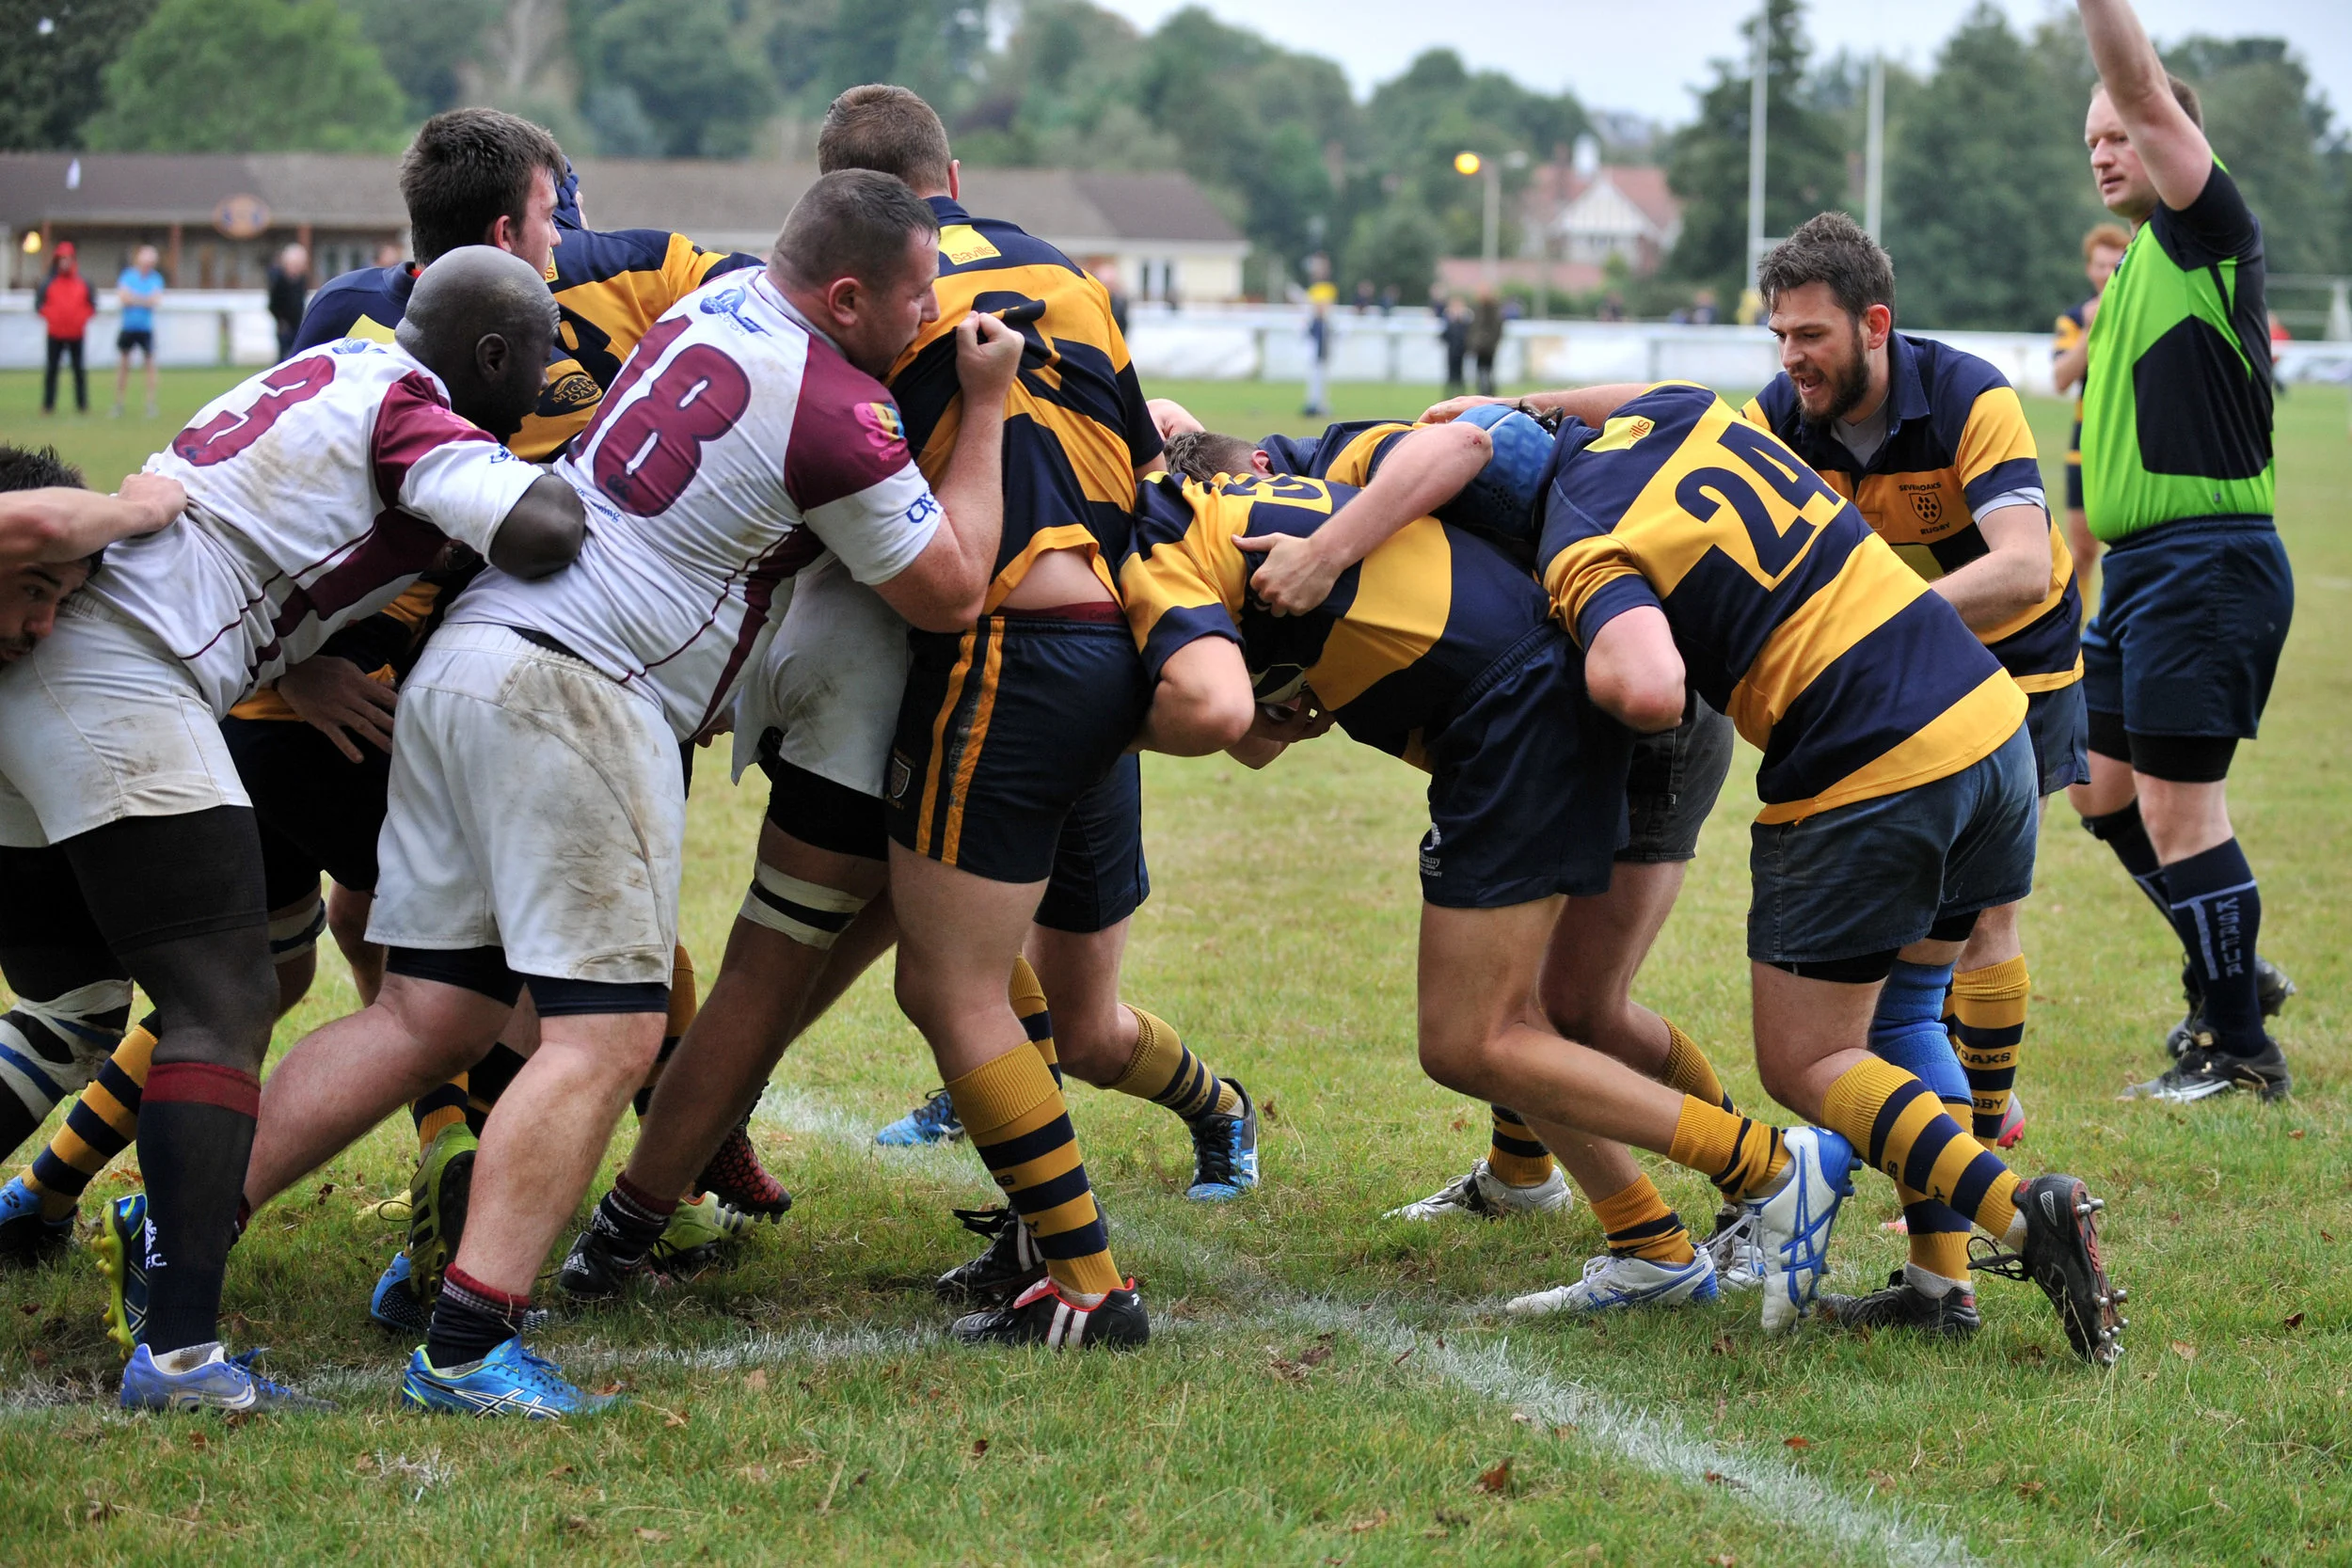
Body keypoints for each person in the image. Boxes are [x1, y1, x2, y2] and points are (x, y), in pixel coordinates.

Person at [238, 175, 1025, 1416]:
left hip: (471, 662)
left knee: (426, 1015)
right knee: (605, 1036)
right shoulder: (835, 404)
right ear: (848, 294)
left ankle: (181, 1216)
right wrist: (981, 409)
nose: (934, 313)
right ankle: (469, 1338)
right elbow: (951, 586)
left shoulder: (708, 309)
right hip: (584, 691)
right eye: (918, 291)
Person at [1, 107, 787, 1322]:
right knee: (520, 982)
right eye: (548, 212)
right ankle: (468, 1235)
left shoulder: (342, 339)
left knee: (278, 984)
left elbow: (265, 517)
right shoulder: (431, 388)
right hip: (271, 701)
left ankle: (101, 1200)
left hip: (277, 689)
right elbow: (532, 525)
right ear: (500, 252)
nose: (564, 234)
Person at [582, 87, 1253, 1344]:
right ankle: (1053, 1215)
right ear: (950, 173)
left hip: (954, 656)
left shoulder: (846, 293)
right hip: (1112, 641)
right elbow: (1143, 469)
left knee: (879, 970)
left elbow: (920, 560)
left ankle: (647, 1214)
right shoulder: (1067, 271)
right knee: (1023, 977)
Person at [1414, 378, 2125, 1364]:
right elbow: (1658, 390)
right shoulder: (1673, 414)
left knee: (1807, 1060)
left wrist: (1577, 618)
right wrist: (1525, 401)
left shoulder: (1578, 542)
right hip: (1989, 717)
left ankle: (2021, 1209)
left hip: (1870, 753)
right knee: (1907, 1012)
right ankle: (1936, 1284)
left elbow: (1648, 686)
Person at [0, 246, 583, 1413]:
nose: (539, 389)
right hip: (128, 672)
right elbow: (542, 530)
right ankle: (177, 1356)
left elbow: (279, 535)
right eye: (532, 365)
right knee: (228, 1000)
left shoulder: (329, 361)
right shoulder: (409, 406)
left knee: (71, 1011)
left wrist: (303, 654)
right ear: (486, 355)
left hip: (51, 668)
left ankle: (158, 1311)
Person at [1131, 447, 1853, 1321]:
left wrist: (1094, 723)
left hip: (1562, 689)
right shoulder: (1230, 508)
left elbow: (1474, 444)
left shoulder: (1163, 540)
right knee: (1516, 1020)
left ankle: (1764, 1170)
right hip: (1531, 689)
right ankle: (1651, 1233)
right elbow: (1254, 731)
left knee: (1510, 1025)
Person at [1743, 213, 2086, 1335]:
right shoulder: (1782, 418)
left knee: (1973, 938)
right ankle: (1955, 1215)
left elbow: (2026, 567)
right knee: (1908, 982)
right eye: (1777, 334)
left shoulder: (1966, 393)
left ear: (1874, 323)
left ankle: (1973, 1165)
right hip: (1904, 707)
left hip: (2014, 684)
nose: (1790, 357)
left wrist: (1870, 635)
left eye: (1809, 334)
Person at [2069, 0, 2296, 1102]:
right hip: (2141, 572)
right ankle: (2233, 969)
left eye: (2120, 134)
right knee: (2100, 789)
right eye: (2092, 143)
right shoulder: (2127, 279)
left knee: (2177, 810)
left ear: (2167, 140)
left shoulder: (2203, 230)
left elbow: (2143, 83)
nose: (2105, 152)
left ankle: (2237, 1044)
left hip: (2204, 559)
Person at [2052, 224, 2128, 601]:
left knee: (2128, 554)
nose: (2107, 273)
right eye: (2101, 265)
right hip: (2085, 443)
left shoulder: (2139, 317)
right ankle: (2078, 641)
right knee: (2082, 552)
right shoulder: (2074, 320)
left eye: (2116, 265)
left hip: (2131, 443)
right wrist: (2090, 330)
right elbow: (2062, 378)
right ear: (2089, 269)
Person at [36, 244, 96, 416]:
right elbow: (39, 305)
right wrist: (53, 317)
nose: (64, 263)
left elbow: (92, 305)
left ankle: (82, 405)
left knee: (78, 371)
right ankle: (48, 405)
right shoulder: (48, 282)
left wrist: (79, 319)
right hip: (55, 333)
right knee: (52, 371)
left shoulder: (83, 282)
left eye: (67, 258)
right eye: (61, 259)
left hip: (76, 333)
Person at [111, 245, 164, 420]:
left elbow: (154, 300)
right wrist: (143, 299)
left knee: (149, 366)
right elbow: (124, 298)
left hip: (145, 328)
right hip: (128, 327)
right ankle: (118, 403)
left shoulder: (156, 278)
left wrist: (135, 298)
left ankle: (150, 403)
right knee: (124, 366)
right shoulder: (128, 276)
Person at [267, 245, 310, 361]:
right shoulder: (279, 281)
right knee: (282, 357)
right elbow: (273, 304)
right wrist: (281, 321)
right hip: (284, 325)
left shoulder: (301, 280)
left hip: (297, 324)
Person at [1470, 289, 1503, 397]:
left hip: (1486, 348)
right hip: (1483, 347)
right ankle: (1486, 394)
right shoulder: (1483, 310)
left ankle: (1486, 394)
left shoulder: (1489, 311)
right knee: (1484, 372)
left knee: (1485, 372)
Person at [1440, 298, 1471, 398]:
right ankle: (1449, 395)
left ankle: (1460, 394)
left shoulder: (1465, 323)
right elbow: (1444, 336)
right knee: (1451, 375)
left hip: (1461, 351)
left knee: (1460, 375)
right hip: (1452, 351)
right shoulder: (1450, 322)